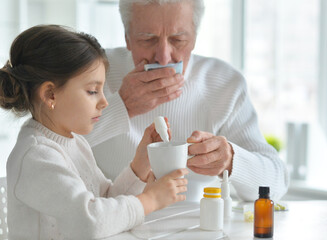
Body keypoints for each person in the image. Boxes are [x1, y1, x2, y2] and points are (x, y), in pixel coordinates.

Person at [85, 0, 289, 202]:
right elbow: (54, 148)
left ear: (194, 39)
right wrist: (122, 106)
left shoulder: (225, 84)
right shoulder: (93, 73)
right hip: (111, 225)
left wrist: (230, 160)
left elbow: (277, 182)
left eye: (178, 40)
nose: (164, 58)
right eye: (148, 39)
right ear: (127, 38)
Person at [0, 25, 188, 239]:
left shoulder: (75, 143)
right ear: (50, 94)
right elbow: (90, 221)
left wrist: (140, 164)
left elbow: (105, 201)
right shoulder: (35, 157)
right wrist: (150, 201)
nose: (104, 102)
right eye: (92, 91)